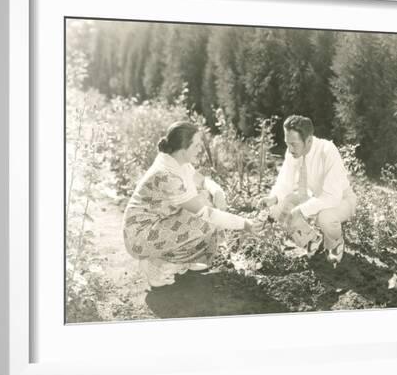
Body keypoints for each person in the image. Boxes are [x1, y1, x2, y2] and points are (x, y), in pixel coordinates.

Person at [123, 121, 262, 287]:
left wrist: (217, 192)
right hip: (140, 236)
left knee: (205, 199)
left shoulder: (178, 162)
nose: (200, 149)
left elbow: (203, 181)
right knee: (205, 221)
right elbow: (207, 214)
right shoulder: (168, 175)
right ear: (183, 149)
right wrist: (245, 224)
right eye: (196, 145)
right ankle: (156, 264)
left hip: (156, 225)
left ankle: (176, 260)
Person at [259, 115, 357, 266]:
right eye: (287, 144)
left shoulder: (327, 151)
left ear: (309, 140)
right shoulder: (293, 152)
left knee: (325, 217)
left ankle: (335, 245)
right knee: (282, 207)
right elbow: (285, 182)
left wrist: (301, 210)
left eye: (294, 144)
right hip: (315, 197)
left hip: (341, 201)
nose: (290, 149)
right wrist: (272, 199)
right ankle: (312, 241)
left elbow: (332, 197)